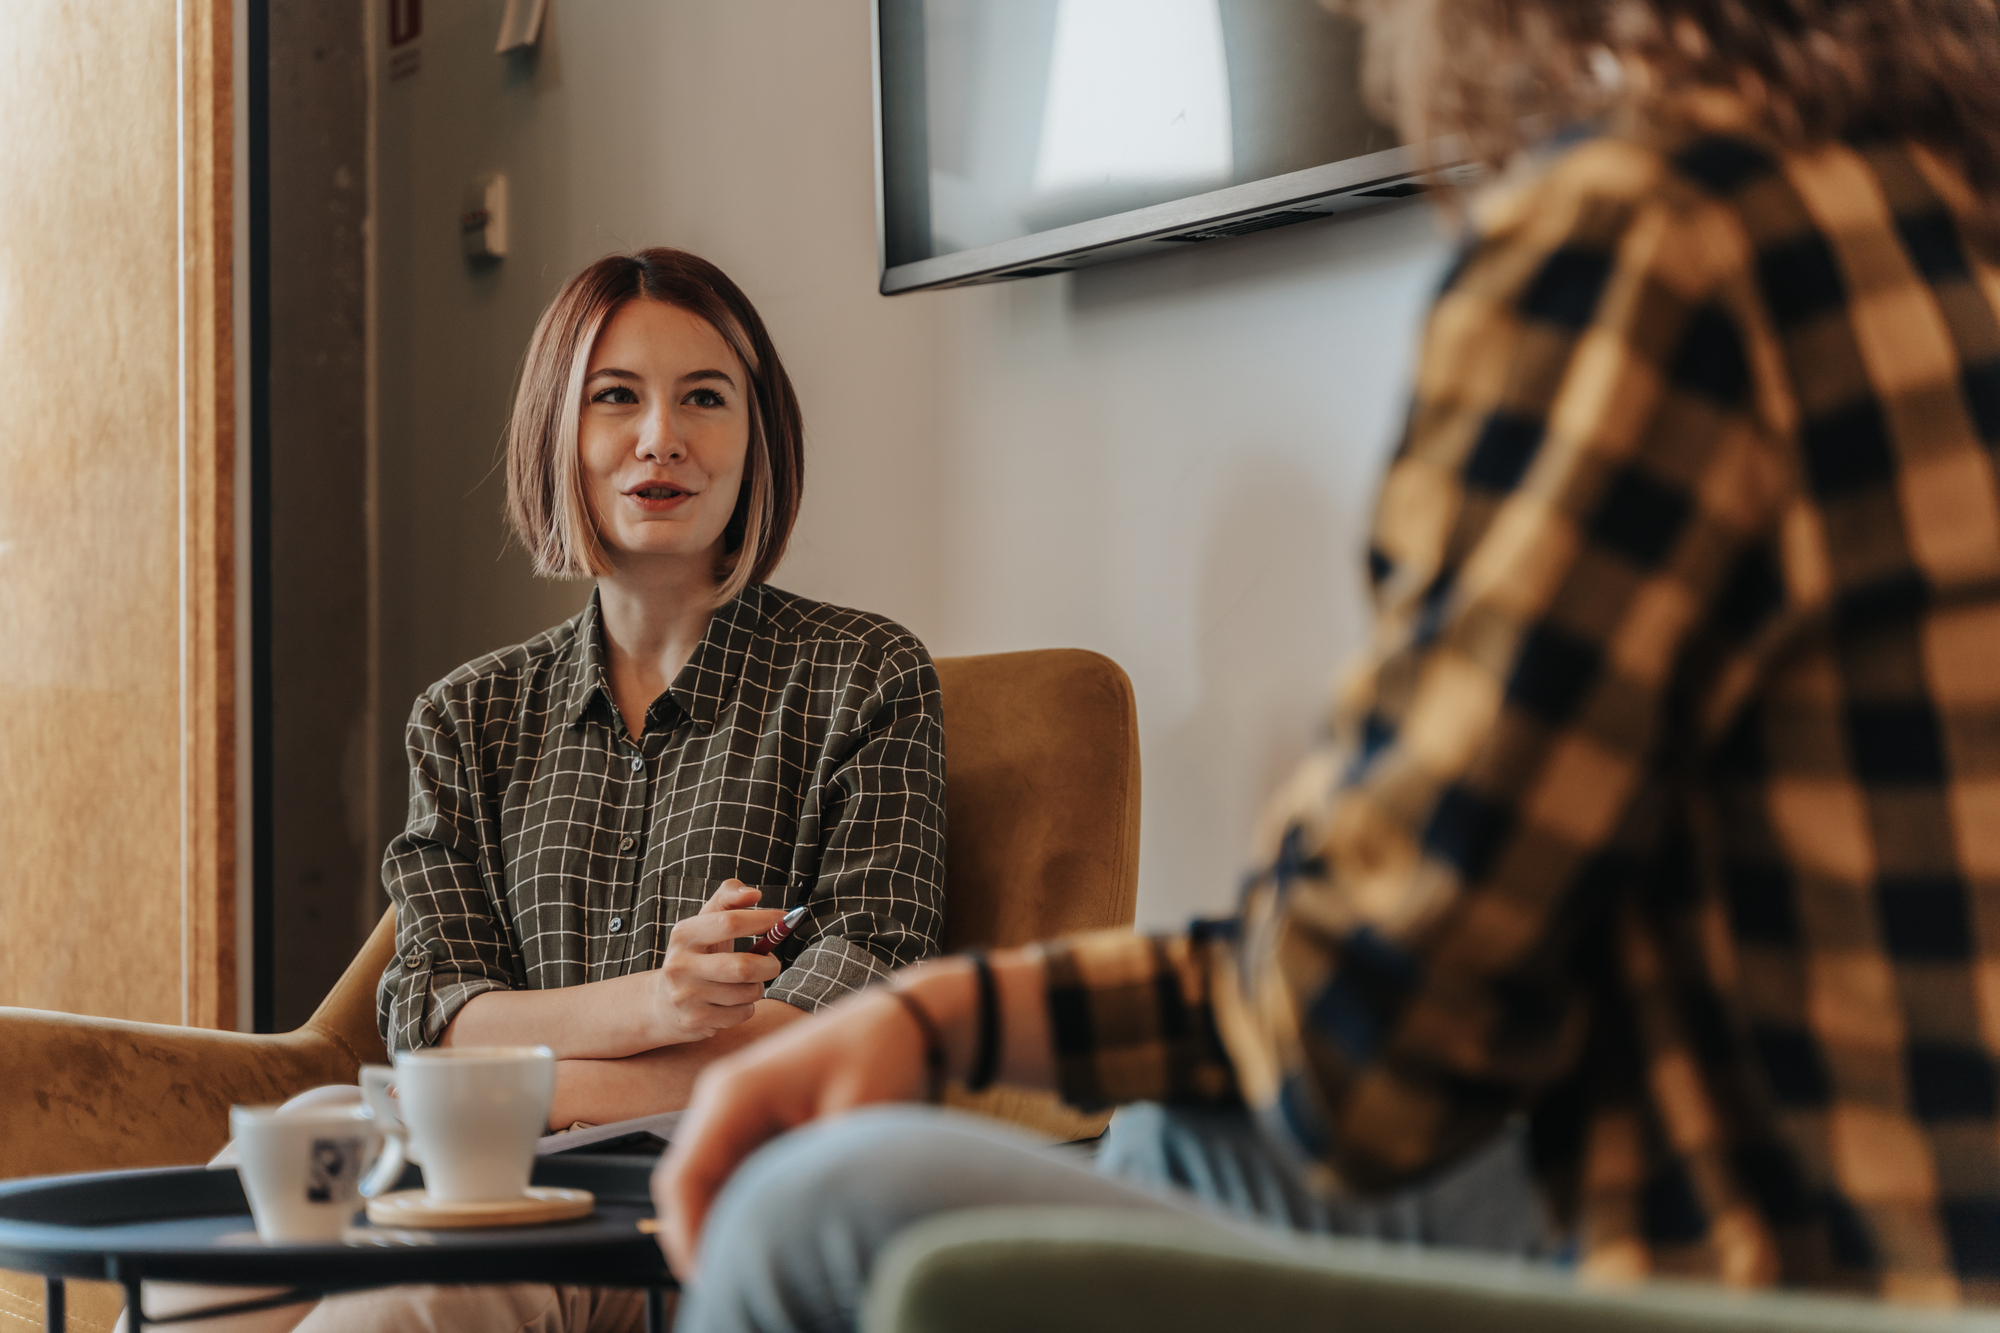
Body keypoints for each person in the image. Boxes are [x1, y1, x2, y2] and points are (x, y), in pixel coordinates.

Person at [652, 0, 2000, 1325]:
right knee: (1181, 1149)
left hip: (1810, 1269)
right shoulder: (1931, 207)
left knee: (813, 1217)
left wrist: (962, 1018)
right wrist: (959, 1010)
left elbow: (1372, 1048)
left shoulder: (1652, 237)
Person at [129, 248, 947, 1333]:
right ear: (556, 432)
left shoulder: (863, 677)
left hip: (681, 1201)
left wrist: (523, 1081)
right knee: (286, 1154)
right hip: (465, 1148)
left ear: (759, 437)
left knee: (417, 1290)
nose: (659, 437)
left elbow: (843, 1023)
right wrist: (656, 1007)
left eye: (703, 397)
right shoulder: (468, 716)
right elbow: (438, 1012)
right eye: (616, 398)